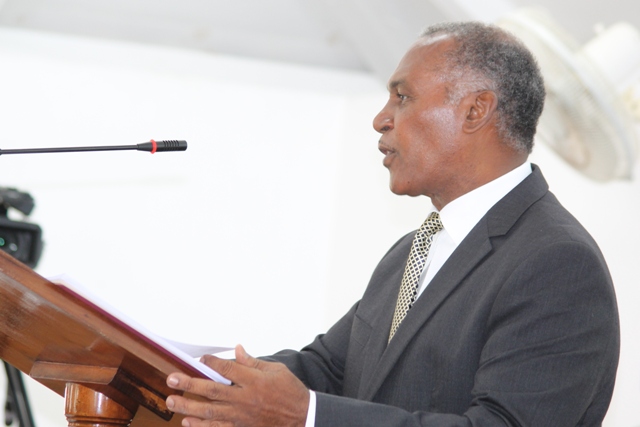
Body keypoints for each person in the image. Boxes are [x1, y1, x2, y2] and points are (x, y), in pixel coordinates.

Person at [164, 21, 620, 426]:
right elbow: (328, 370)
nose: (380, 119)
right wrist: (191, 376)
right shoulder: (412, 250)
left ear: (476, 111)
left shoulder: (556, 261)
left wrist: (308, 417)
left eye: (402, 97)